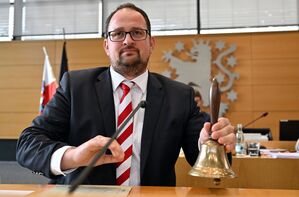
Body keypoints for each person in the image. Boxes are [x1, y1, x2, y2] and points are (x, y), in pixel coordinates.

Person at [16, 3, 235, 186]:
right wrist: (73, 155)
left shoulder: (180, 96)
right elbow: (28, 144)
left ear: (151, 43)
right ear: (106, 45)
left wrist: (212, 143)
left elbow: (201, 154)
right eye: (118, 34)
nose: (128, 40)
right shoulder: (75, 86)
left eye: (137, 33)